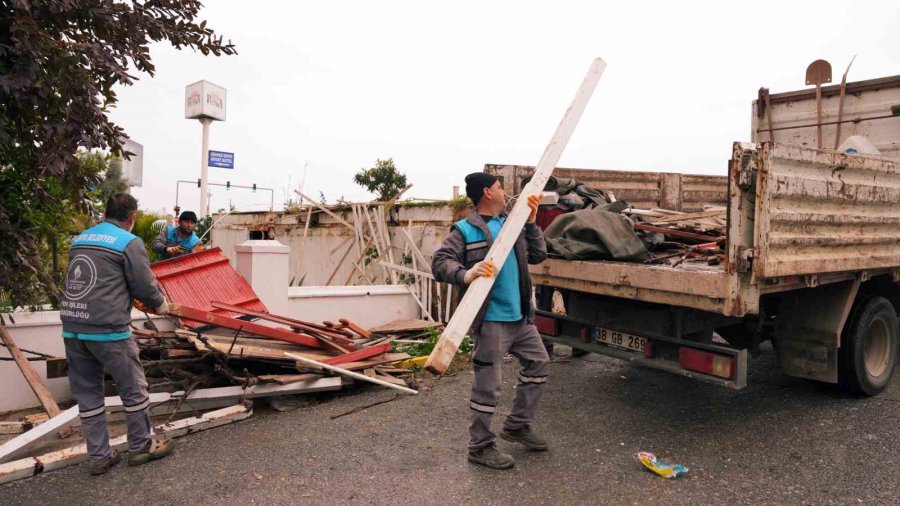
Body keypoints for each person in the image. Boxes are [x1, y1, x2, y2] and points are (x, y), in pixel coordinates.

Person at [432, 172, 549, 470]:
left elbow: (539, 255)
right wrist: (466, 274)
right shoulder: (465, 229)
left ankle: (517, 425)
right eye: (499, 186)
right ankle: (480, 446)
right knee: (488, 386)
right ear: (487, 192)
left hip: (521, 318)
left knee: (538, 363)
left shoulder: (514, 225)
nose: (504, 190)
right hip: (492, 321)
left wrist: (532, 222)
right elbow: (441, 262)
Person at [60, 194, 175, 475]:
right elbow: (144, 287)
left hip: (73, 328)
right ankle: (140, 447)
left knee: (88, 395)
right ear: (131, 216)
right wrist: (162, 305)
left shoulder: (81, 239)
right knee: (133, 389)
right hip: (108, 330)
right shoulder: (128, 242)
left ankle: (99, 457)